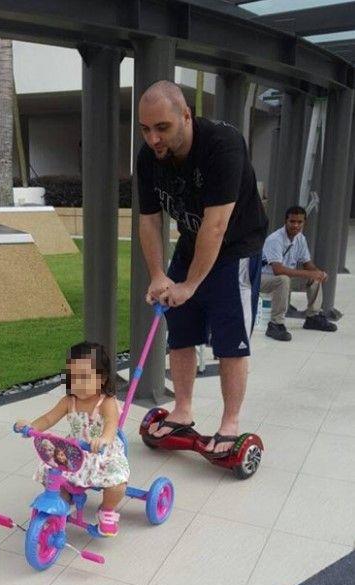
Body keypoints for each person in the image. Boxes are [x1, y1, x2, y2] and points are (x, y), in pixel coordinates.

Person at [137, 80, 268, 457]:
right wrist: (158, 275)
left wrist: (190, 284)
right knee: (180, 329)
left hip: (236, 247)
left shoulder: (222, 145)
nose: (153, 138)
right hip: (192, 243)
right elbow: (149, 220)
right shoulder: (149, 157)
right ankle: (182, 410)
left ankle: (230, 424)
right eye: (146, 129)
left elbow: (216, 226)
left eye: (162, 127)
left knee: (231, 339)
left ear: (186, 116)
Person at [15, 342, 129, 537]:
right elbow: (48, 418)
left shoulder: (106, 402)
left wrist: (103, 439)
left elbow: (112, 424)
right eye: (72, 377)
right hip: (74, 449)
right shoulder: (69, 401)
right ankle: (64, 498)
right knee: (51, 471)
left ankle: (107, 510)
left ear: (102, 379)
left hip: (101, 451)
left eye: (84, 377)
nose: (78, 383)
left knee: (117, 485)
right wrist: (31, 427)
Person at [261, 205, 337, 341]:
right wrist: (309, 274)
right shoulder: (275, 239)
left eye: (299, 222)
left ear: (304, 223)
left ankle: (313, 317)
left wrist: (318, 273)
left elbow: (307, 264)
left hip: (285, 277)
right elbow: (278, 270)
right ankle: (275, 324)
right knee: (283, 279)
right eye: (292, 221)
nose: (296, 225)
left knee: (315, 277)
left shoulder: (300, 239)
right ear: (286, 221)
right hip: (264, 279)